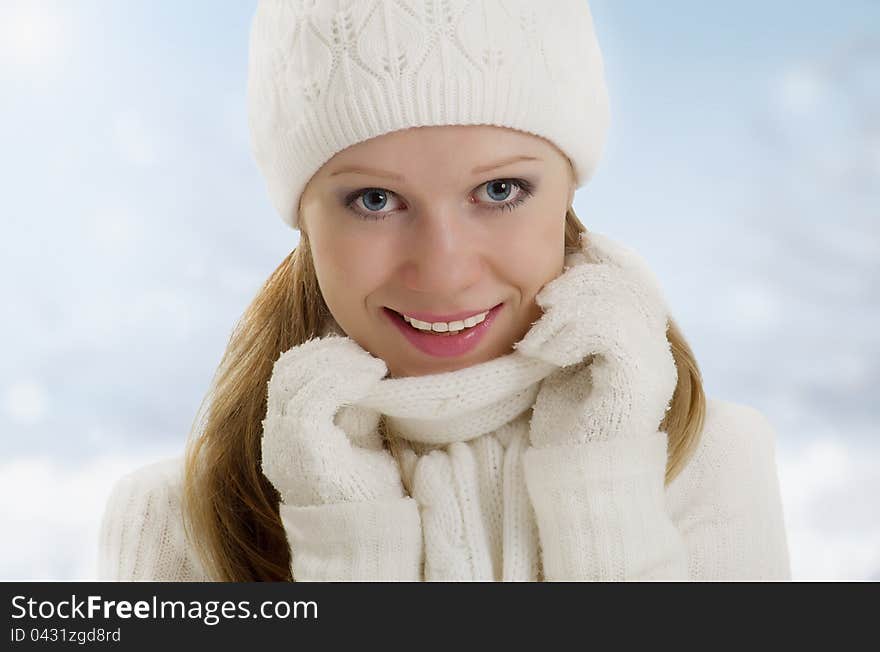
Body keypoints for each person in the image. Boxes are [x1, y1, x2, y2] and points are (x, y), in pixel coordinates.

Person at [96, 0, 791, 582]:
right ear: (301, 217)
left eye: (499, 190)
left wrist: (600, 493)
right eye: (373, 199)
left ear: (568, 190)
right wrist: (351, 551)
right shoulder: (177, 522)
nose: (445, 270)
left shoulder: (709, 460)